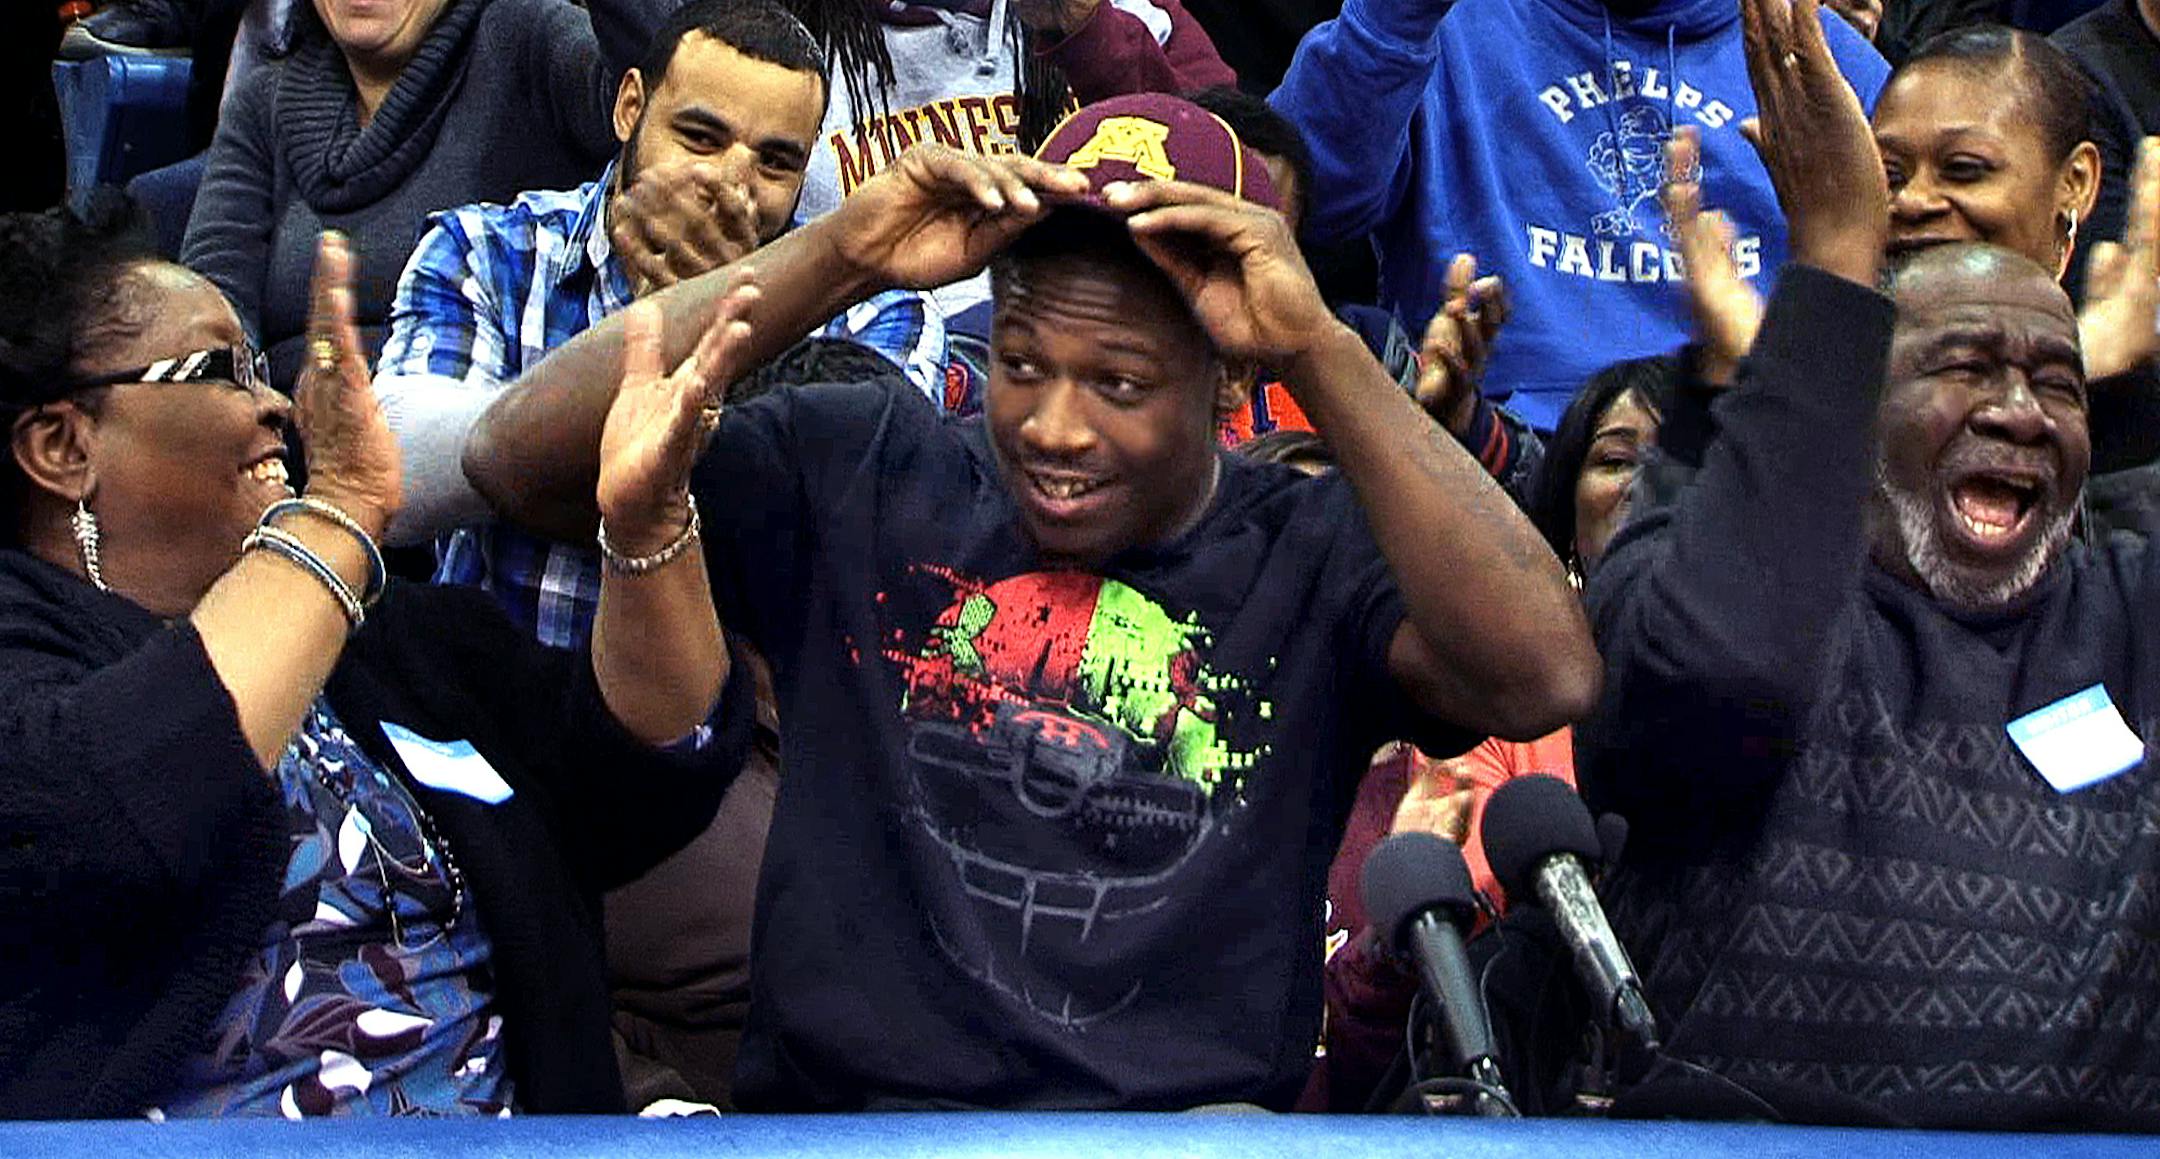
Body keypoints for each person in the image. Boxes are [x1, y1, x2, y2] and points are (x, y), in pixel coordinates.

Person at [459, 91, 1599, 1109]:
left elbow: (1546, 671)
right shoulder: (861, 468)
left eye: (1120, 382)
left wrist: (1320, 348)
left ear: (1230, 381)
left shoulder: (1312, 550)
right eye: (1021, 363)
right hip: (844, 1130)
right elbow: (516, 458)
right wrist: (845, 248)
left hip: (1183, 1144)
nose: (1055, 427)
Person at [0, 200, 753, 1117]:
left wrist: (647, 523)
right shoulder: (25, 666)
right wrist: (346, 506)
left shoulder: (396, 644)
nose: (276, 399)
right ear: (62, 446)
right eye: (224, 370)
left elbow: (643, 777)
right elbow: (102, 818)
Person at [1582, 0, 2160, 1128]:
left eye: (2058, 381)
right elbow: (1721, 679)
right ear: (1849, 389)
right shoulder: (1702, 540)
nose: (2018, 409)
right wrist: (1835, 267)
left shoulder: (2130, 594)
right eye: (1963, 368)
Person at [374, 0, 943, 644]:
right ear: (629, 109)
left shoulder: (881, 308)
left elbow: (836, 550)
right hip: (494, 712)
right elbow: (397, 481)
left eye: (775, 162)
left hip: (735, 729)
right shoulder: (492, 250)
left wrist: (734, 328)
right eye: (700, 137)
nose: (732, 184)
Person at [1310, 353, 1673, 1113]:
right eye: (1614, 458)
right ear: (1566, 503)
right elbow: (1452, 946)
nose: (1646, 484)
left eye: (1679, 460)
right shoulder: (1503, 713)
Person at [1268, 0, 1890, 432]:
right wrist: (1390, 24)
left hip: (1746, 460)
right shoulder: (1440, 25)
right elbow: (1301, 208)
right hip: (1481, 456)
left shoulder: (1818, 61)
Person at [180, 0, 682, 392]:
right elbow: (213, 308)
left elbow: (671, 87)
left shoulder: (525, 37)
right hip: (284, 451)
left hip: (477, 461)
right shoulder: (264, 100)